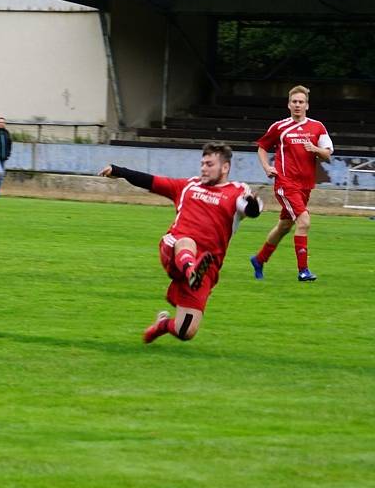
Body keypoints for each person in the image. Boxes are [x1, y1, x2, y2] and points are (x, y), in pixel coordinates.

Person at [98, 142, 262, 344]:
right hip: (174, 247)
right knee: (187, 241)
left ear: (225, 167)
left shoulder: (236, 191)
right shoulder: (188, 186)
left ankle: (162, 324)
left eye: (209, 164)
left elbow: (251, 209)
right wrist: (119, 171)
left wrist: (253, 204)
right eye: (202, 163)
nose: (203, 168)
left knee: (186, 331)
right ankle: (191, 270)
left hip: (207, 266)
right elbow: (151, 181)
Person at [250, 85, 333, 282]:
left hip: (305, 186)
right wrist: (266, 167)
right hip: (285, 184)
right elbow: (262, 147)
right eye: (294, 102)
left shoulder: (317, 127)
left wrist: (314, 148)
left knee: (284, 226)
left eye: (301, 102)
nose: (297, 105)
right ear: (289, 105)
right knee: (304, 221)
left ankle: (259, 259)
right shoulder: (279, 127)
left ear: (307, 105)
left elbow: (327, 155)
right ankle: (303, 271)